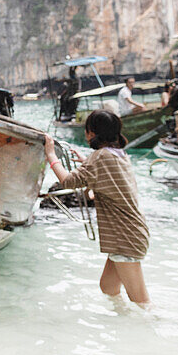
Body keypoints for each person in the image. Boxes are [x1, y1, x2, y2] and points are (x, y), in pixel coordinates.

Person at [44, 110, 151, 306]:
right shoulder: (118, 154)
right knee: (108, 288)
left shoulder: (99, 157)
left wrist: (51, 155)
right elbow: (111, 179)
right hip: (129, 233)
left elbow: (68, 181)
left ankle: (155, 331)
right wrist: (86, 162)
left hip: (124, 236)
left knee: (141, 302)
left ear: (91, 133)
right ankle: (124, 325)